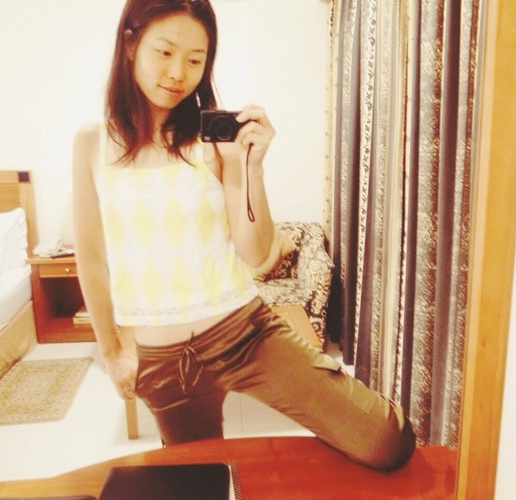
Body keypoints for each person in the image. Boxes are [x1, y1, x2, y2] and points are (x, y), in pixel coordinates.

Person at [72, 0, 415, 471]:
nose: (178, 73)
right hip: (163, 362)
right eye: (165, 52)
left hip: (245, 332)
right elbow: (91, 257)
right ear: (130, 44)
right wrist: (112, 351)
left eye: (195, 59)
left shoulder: (214, 140)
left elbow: (256, 253)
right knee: (200, 484)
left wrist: (252, 167)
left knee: (385, 441)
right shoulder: (92, 143)